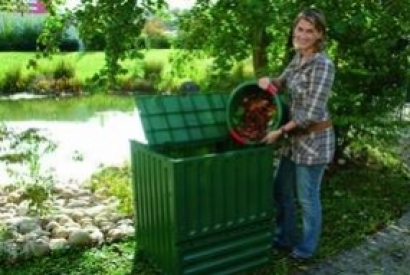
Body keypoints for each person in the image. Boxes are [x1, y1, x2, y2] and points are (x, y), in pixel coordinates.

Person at [258, 8, 336, 260]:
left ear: (319, 34)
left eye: (309, 31)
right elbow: (281, 82)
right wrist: (266, 83)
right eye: (300, 29)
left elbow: (310, 114)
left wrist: (278, 132)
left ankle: (306, 248)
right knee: (280, 189)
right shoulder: (298, 57)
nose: (302, 35)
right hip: (294, 141)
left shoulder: (323, 65)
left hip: (313, 143)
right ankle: (285, 237)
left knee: (308, 199)